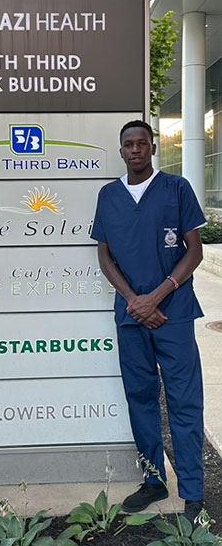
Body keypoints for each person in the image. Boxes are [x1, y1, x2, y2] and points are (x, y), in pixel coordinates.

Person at [91, 120, 206, 523]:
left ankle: (193, 491)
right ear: (121, 151)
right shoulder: (108, 196)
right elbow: (104, 255)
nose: (136, 149)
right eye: (128, 144)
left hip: (173, 315)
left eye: (142, 143)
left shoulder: (177, 189)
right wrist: (133, 301)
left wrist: (156, 296)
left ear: (152, 147)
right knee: (140, 399)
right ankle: (154, 481)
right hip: (131, 317)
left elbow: (194, 252)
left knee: (184, 402)